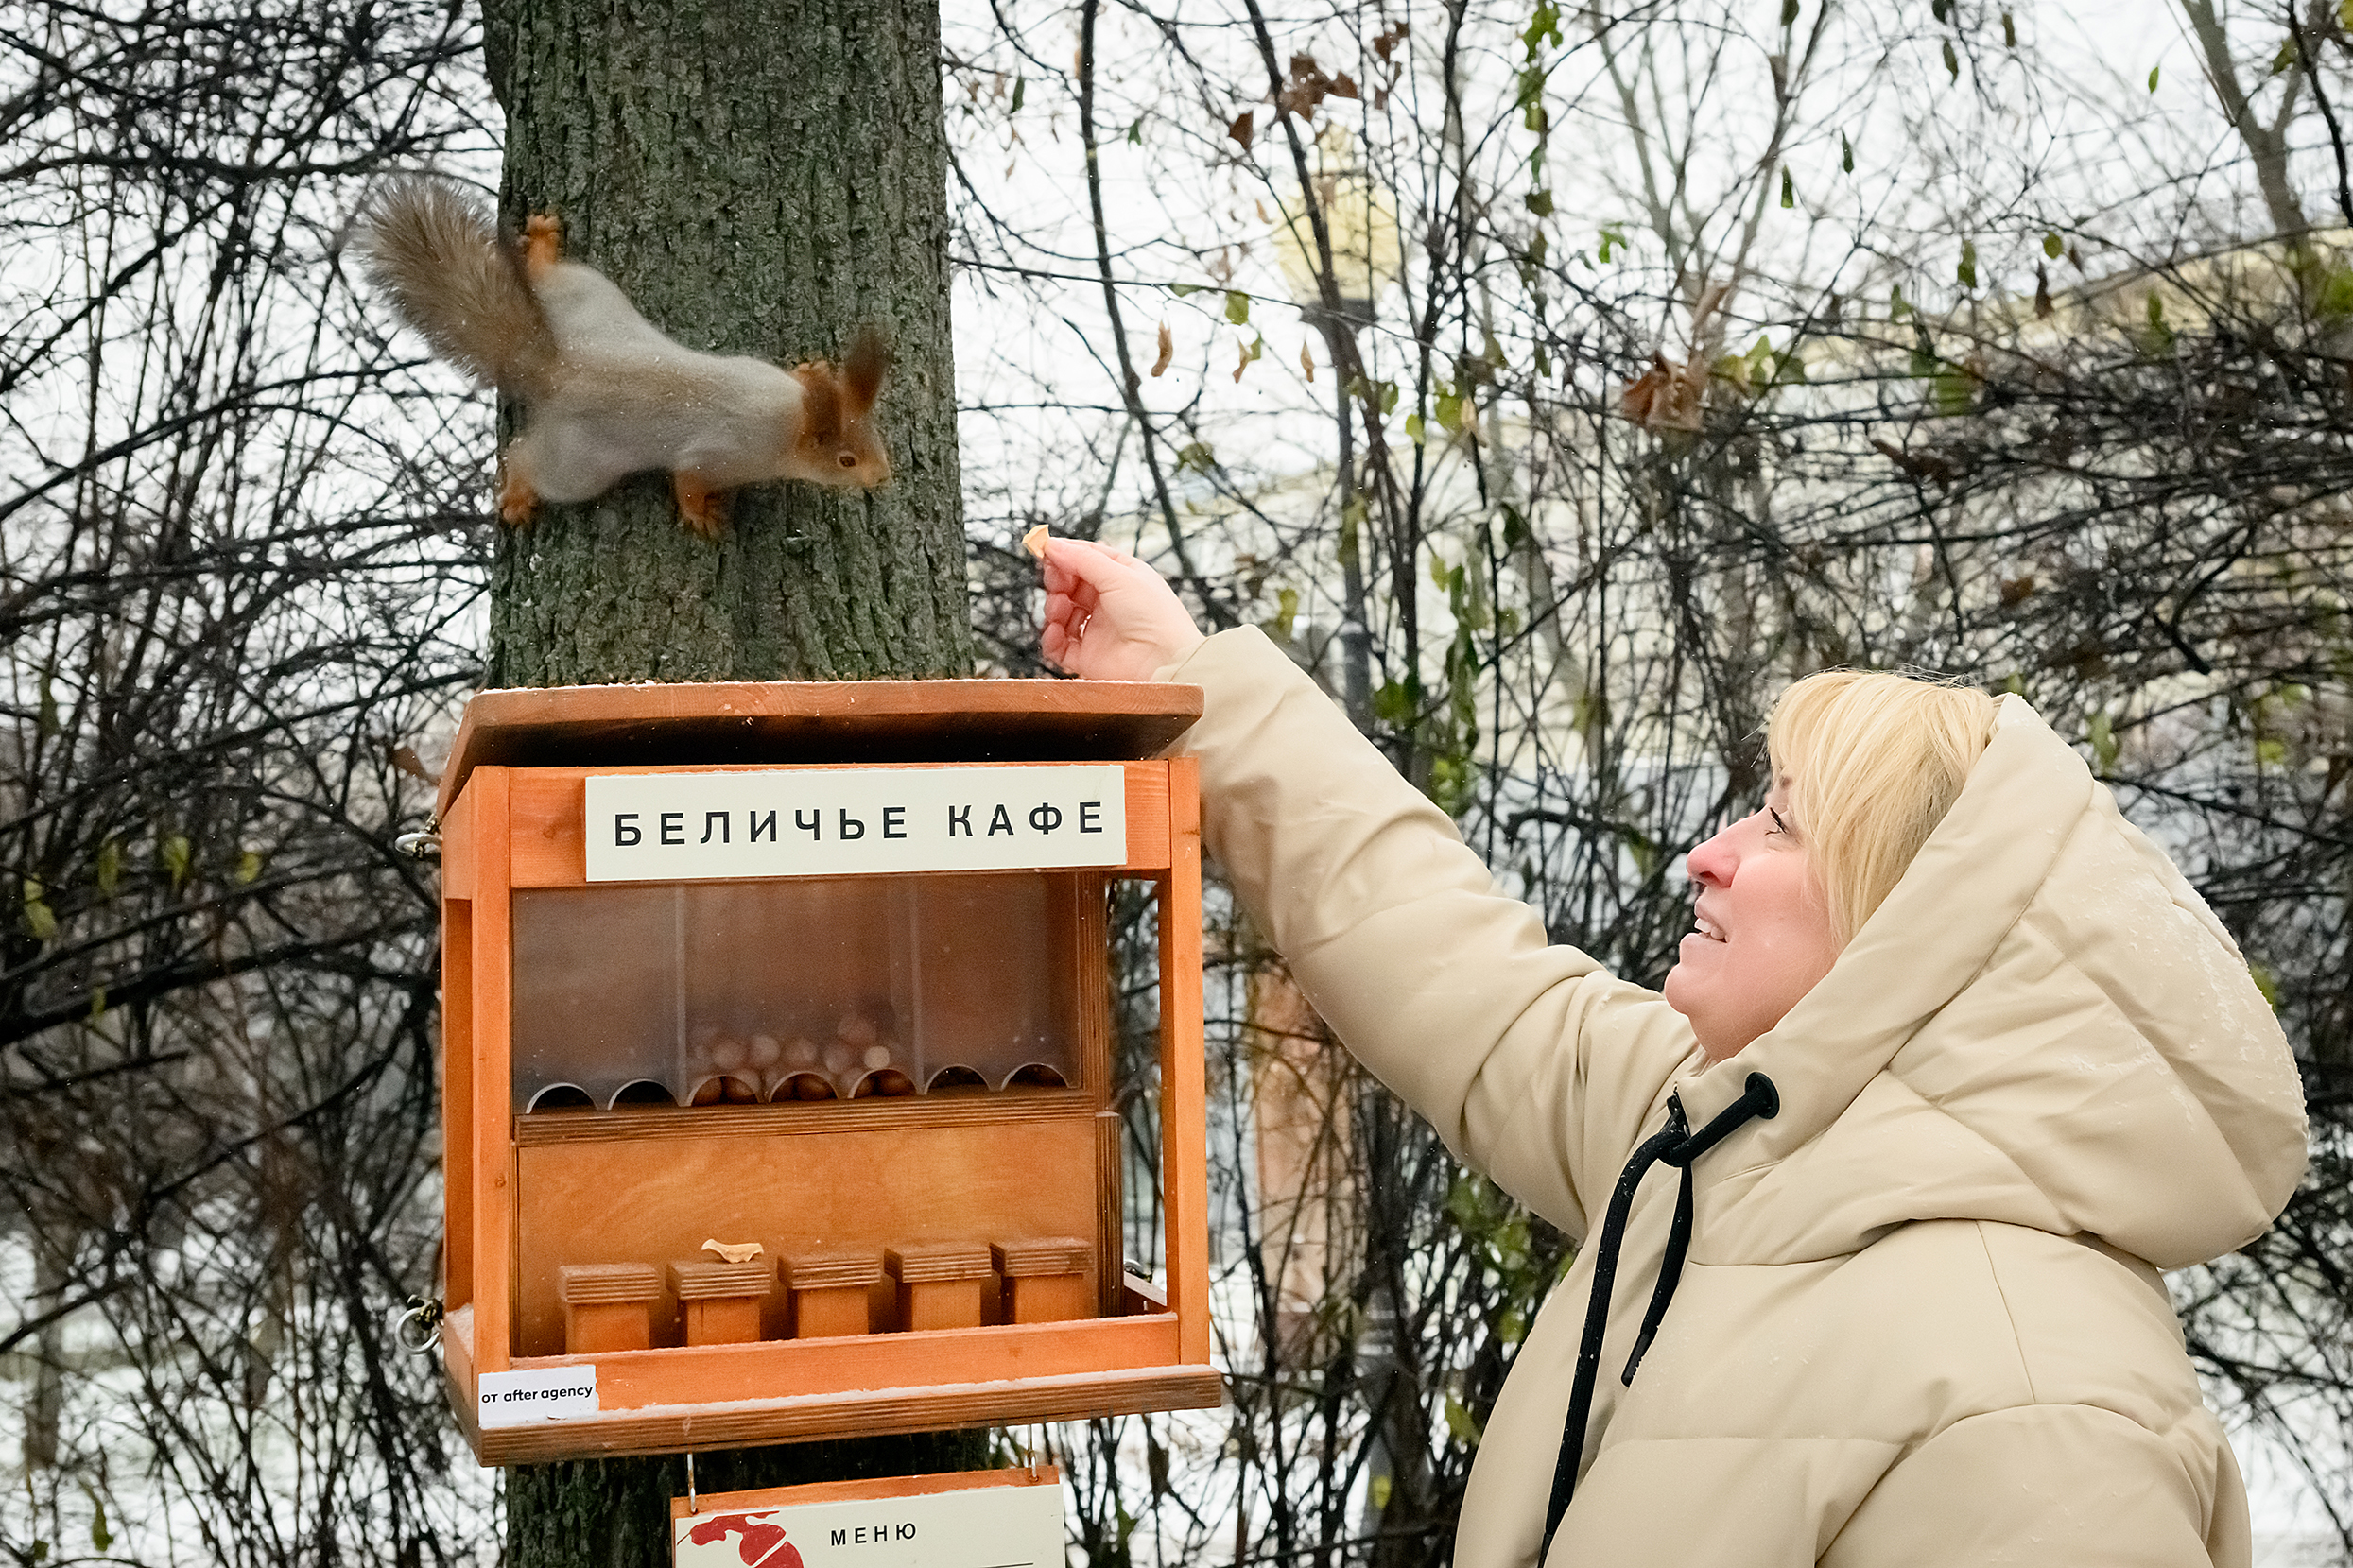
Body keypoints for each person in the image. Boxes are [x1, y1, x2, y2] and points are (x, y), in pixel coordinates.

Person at [1036, 536, 2308, 1568]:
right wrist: (1189, 677)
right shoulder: (1721, 1144)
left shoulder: (2036, 1412)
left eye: (1781, 825)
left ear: (1912, 932)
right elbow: (1455, 973)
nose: (1708, 853)